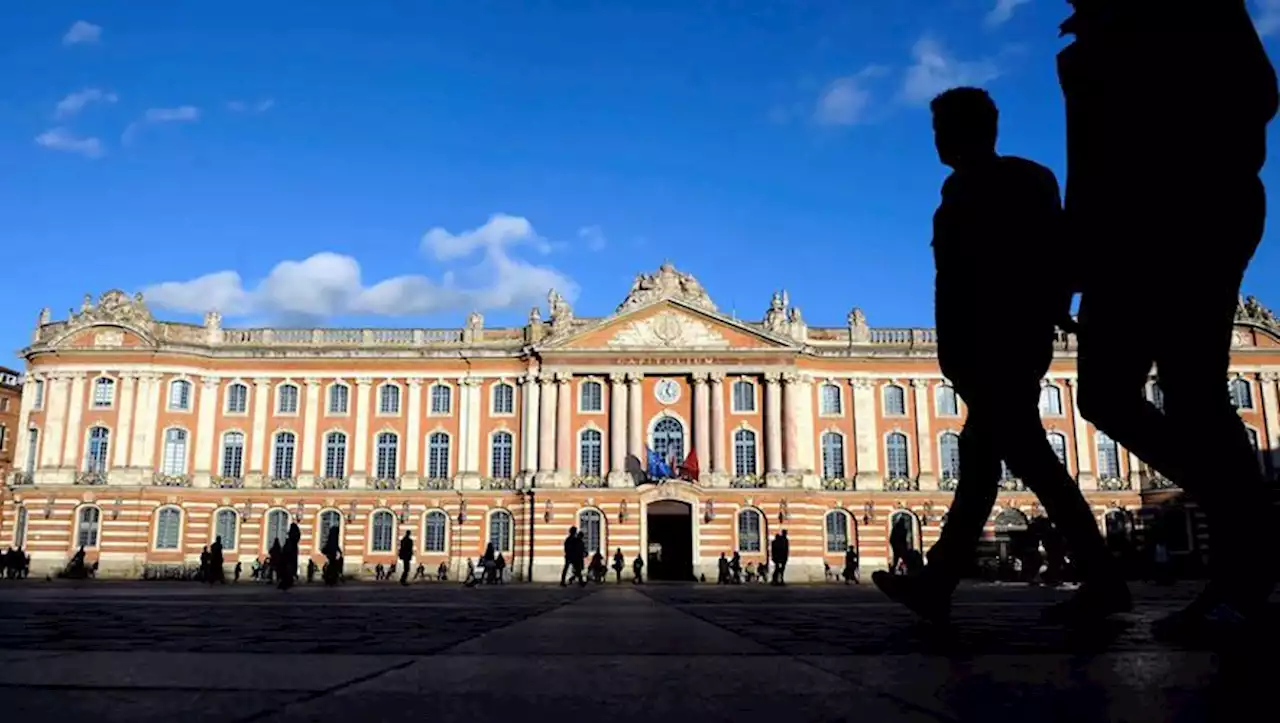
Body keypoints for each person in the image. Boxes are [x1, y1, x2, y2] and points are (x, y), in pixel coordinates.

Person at [1058, 0, 1278, 639]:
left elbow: (1257, 93)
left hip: (1197, 208)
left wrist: (1191, 159)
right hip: (1117, 235)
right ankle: (1247, 526)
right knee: (1102, 392)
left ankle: (1242, 573)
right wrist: (1073, 260)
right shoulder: (1081, 48)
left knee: (1192, 391)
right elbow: (1086, 161)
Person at [873, 87, 1126, 625]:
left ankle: (1101, 581)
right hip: (996, 344)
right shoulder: (983, 184)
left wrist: (1041, 312)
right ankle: (939, 583)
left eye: (943, 129)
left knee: (1025, 463)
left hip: (1000, 343)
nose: (937, 140)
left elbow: (1034, 258)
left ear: (973, 129)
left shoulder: (1009, 183)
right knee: (988, 465)